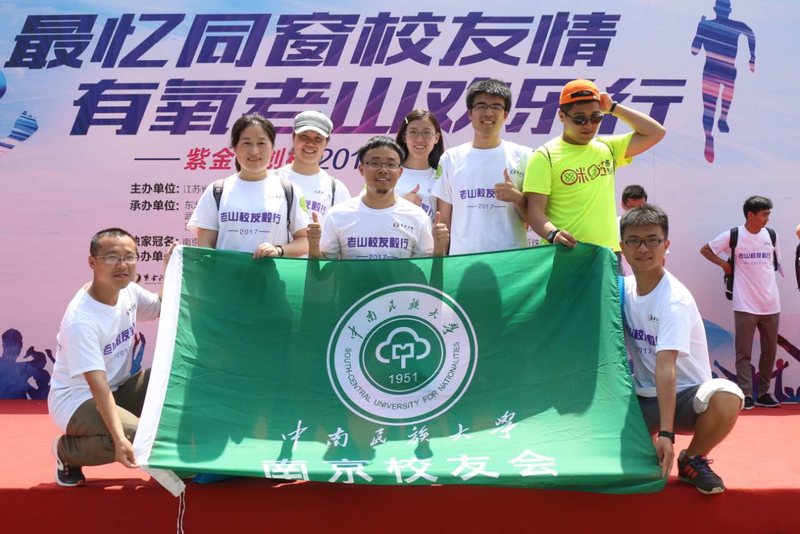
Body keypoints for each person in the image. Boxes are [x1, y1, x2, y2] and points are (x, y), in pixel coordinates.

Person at [620, 205, 742, 494]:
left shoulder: (673, 300)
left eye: (652, 240)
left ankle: (692, 459)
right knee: (627, 468)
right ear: (622, 247)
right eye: (634, 240)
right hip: (641, 399)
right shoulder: (622, 290)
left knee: (728, 395)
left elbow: (666, 367)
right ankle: (641, 447)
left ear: (666, 245)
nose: (643, 248)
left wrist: (667, 433)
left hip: (686, 400)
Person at [48, 228, 173, 486]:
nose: (122, 264)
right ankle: (66, 452)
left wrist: (170, 268)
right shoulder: (81, 320)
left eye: (129, 256)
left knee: (173, 378)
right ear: (92, 262)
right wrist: (119, 439)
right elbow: (99, 388)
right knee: (137, 437)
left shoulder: (128, 291)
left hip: (119, 388)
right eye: (112, 257)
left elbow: (160, 306)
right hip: (77, 400)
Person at [523, 79, 665, 256]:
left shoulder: (608, 147)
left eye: (596, 117)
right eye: (579, 119)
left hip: (607, 253)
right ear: (561, 116)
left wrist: (613, 108)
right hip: (565, 253)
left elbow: (656, 132)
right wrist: (553, 234)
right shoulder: (545, 156)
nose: (589, 125)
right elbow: (534, 210)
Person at [188, 113, 309, 258]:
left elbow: (305, 241)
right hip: (226, 273)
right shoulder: (217, 190)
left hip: (271, 273)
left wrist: (278, 250)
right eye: (246, 143)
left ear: (273, 148)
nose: (254, 151)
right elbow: (205, 246)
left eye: (261, 143)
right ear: (234, 148)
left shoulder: (289, 190)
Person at [431, 78, 530, 255]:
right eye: (481, 106)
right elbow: (444, 219)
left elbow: (535, 218)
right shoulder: (450, 158)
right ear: (470, 113)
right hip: (463, 261)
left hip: (512, 261)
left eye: (496, 107)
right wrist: (442, 260)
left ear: (506, 114)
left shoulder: (524, 156)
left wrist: (517, 198)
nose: (488, 113)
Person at [308, 136, 448, 259]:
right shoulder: (337, 215)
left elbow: (426, 270)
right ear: (361, 169)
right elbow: (324, 272)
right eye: (375, 163)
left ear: (400, 172)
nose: (383, 170)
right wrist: (314, 246)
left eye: (391, 164)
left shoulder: (417, 216)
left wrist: (439, 248)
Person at [700, 195, 781, 409]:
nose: (767, 218)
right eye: (764, 214)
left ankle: (763, 393)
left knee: (769, 351)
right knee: (743, 352)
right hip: (745, 303)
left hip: (771, 304)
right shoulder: (734, 235)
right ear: (750, 214)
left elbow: (773, 265)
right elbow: (705, 249)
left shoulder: (771, 235)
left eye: (768, 214)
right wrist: (724, 265)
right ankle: (746, 393)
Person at [691, 0, 756, 163]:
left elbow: (694, 50)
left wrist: (700, 29)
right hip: (725, 69)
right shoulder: (734, 26)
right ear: (729, 11)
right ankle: (721, 121)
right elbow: (750, 33)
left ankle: (716, 126)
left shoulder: (709, 25)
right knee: (715, 103)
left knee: (709, 107)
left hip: (713, 70)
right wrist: (752, 56)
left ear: (716, 10)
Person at [275, 110, 351, 223]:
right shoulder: (273, 179)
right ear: (293, 137)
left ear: (326, 143)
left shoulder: (336, 189)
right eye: (304, 136)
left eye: (318, 139)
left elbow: (344, 230)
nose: (310, 143)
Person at [395, 109, 445, 223]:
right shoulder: (387, 172)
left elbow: (443, 222)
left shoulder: (441, 178)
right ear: (404, 137)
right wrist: (400, 204)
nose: (419, 139)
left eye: (426, 133)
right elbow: (367, 210)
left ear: (436, 138)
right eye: (413, 132)